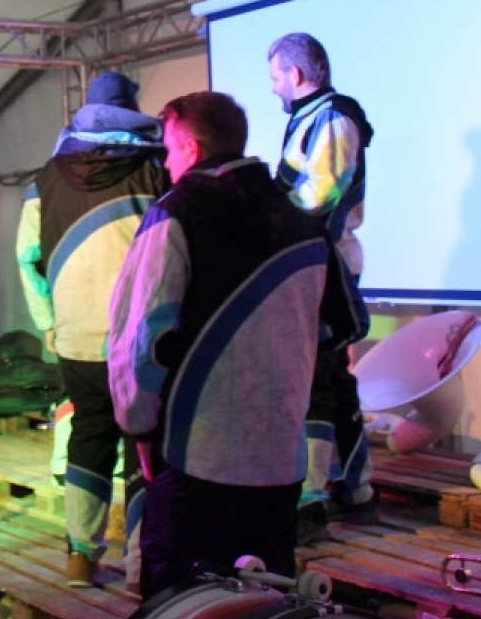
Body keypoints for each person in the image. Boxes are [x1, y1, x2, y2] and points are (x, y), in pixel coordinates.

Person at [107, 92, 367, 601]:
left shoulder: (174, 214)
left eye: (169, 150)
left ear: (191, 147)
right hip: (279, 465)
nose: (166, 163)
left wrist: (140, 430)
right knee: (266, 603)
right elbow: (341, 327)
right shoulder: (304, 225)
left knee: (183, 603)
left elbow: (139, 340)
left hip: (195, 459)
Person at [15, 71, 169, 590]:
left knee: (88, 436)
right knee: (144, 443)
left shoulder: (45, 178)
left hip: (77, 336)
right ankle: (143, 567)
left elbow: (27, 256)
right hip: (141, 337)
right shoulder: (156, 168)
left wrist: (49, 323)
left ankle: (80, 556)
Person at [267, 32, 377, 540]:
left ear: (295, 74)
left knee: (316, 382)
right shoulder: (314, 118)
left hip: (322, 267)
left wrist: (267, 221)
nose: (273, 87)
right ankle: (355, 489)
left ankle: (312, 501)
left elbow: (319, 196)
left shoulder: (331, 119)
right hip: (317, 265)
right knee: (330, 379)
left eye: (275, 77)